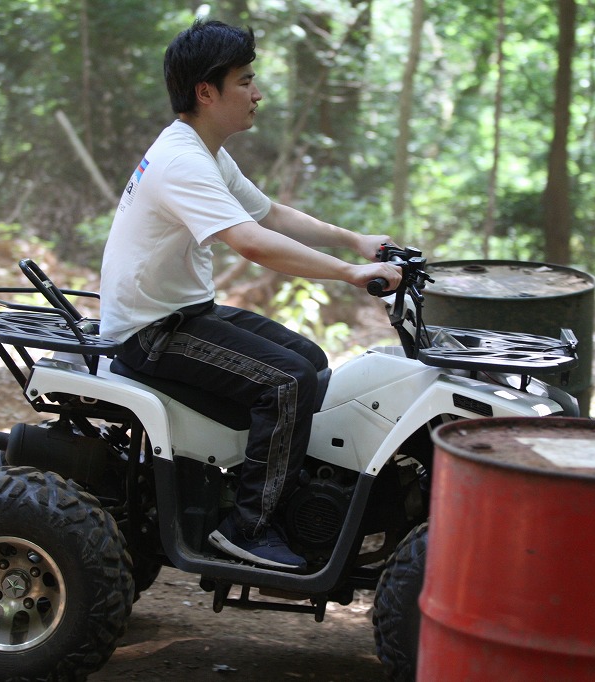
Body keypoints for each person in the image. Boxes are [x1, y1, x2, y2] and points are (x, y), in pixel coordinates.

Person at [98, 18, 402, 571]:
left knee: (310, 360)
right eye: (245, 81)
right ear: (206, 92)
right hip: (151, 333)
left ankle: (265, 490)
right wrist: (349, 273)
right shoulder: (182, 161)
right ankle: (249, 527)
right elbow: (253, 243)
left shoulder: (205, 151)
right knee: (288, 382)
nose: (257, 93)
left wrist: (355, 240)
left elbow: (271, 214)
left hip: (183, 314)